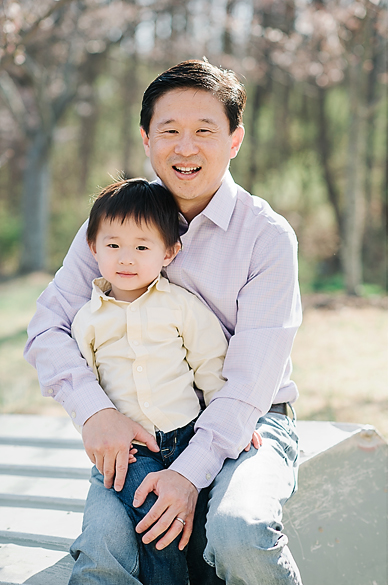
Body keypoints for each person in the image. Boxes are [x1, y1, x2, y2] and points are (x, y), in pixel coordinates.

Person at [25, 60, 303, 585]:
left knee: (240, 529)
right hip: (140, 429)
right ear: (146, 138)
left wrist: (187, 475)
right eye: (169, 131)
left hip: (248, 425)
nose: (185, 147)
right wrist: (94, 413)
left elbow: (248, 385)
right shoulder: (111, 226)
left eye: (205, 131)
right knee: (104, 550)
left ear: (235, 139)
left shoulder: (266, 236)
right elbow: (46, 327)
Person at [71, 178, 233, 584]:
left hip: (188, 437)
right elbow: (85, 386)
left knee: (198, 530)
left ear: (168, 252)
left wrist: (229, 416)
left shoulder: (180, 305)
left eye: (142, 247)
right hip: (130, 449)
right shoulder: (87, 321)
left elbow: (210, 361)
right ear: (93, 247)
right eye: (113, 246)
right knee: (157, 519)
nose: (126, 258)